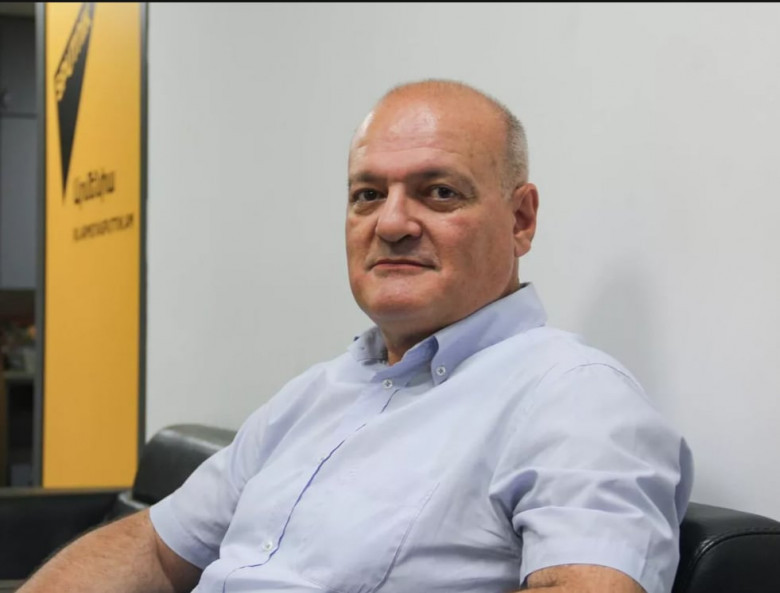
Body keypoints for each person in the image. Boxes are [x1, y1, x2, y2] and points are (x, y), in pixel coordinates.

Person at [20, 79, 693, 593]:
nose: (391, 223)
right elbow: (155, 546)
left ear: (520, 220)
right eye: (368, 194)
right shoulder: (314, 394)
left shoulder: (575, 400)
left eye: (439, 192)